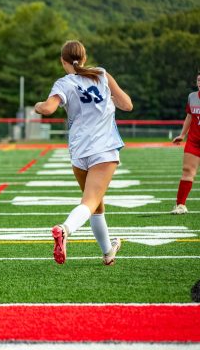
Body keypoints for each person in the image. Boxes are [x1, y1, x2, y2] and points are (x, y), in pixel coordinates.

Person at [34, 40, 133, 266]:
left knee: (96, 204)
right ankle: (65, 229)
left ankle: (108, 251)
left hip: (79, 150)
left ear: (62, 61)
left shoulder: (64, 83)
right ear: (85, 58)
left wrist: (38, 105)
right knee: (90, 201)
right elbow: (127, 105)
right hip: (104, 149)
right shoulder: (101, 75)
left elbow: (48, 109)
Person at [171, 72, 200, 214]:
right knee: (187, 171)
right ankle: (180, 205)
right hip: (194, 141)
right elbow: (189, 116)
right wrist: (182, 135)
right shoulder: (192, 97)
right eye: (199, 80)